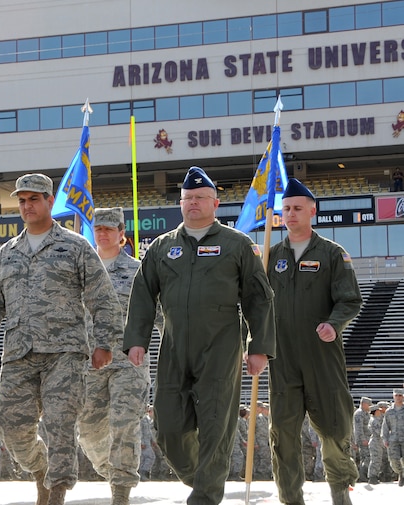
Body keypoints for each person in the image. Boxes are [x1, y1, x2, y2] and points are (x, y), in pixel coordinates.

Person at [123, 166, 276, 505]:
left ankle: (205, 495)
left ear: (215, 203)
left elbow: (258, 297)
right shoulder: (162, 247)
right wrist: (137, 339)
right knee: (168, 429)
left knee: (215, 425)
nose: (193, 203)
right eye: (187, 198)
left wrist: (259, 347)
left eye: (200, 198)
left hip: (220, 346)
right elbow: (144, 294)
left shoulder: (237, 244)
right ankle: (203, 477)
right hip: (174, 346)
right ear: (180, 203)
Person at [0, 173, 122, 505]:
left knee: (60, 422)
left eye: (34, 199)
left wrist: (104, 343)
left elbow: (103, 298)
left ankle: (56, 491)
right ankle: (41, 470)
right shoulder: (8, 253)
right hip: (18, 353)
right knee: (9, 423)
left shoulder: (75, 246)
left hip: (65, 353)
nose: (26, 206)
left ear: (50, 201)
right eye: (22, 200)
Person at [266, 178, 363, 505]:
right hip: (282, 361)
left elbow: (350, 299)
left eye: (297, 208)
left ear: (312, 211)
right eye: (286, 209)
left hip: (322, 358)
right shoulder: (270, 256)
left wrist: (334, 325)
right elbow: (255, 305)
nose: (290, 214)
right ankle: (291, 499)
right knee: (284, 436)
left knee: (335, 428)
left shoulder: (333, 254)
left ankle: (339, 491)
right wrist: (253, 344)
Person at [76, 207, 148, 505]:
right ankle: (112, 471)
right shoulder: (80, 272)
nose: (103, 233)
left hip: (127, 362)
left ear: (122, 234)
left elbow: (154, 314)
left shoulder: (138, 272)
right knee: (89, 432)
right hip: (90, 364)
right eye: (98, 228)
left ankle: (121, 489)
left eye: (109, 228)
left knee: (124, 422)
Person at [381, 388, 404, 486]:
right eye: (396, 396)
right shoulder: (389, 411)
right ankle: (401, 473)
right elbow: (385, 426)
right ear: (393, 397)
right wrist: (385, 439)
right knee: (394, 460)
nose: (398, 397)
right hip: (393, 439)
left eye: (400, 395)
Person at [353, 397, 372, 482]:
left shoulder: (366, 413)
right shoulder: (359, 414)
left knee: (367, 457)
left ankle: (365, 475)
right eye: (368, 404)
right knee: (365, 458)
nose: (369, 406)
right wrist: (362, 439)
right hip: (363, 440)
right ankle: (362, 476)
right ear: (363, 404)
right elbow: (358, 429)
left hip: (368, 439)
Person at [367, 403, 385, 484]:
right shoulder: (375, 421)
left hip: (377, 442)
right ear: (375, 411)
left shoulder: (376, 419)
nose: (380, 412)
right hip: (375, 442)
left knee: (377, 460)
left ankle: (374, 476)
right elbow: (379, 432)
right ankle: (372, 477)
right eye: (379, 411)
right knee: (375, 460)